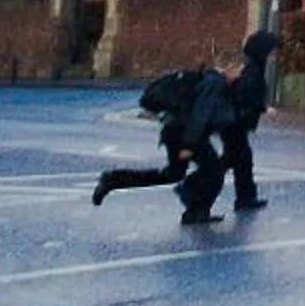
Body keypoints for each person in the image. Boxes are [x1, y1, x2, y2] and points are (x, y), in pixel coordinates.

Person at [92, 60, 238, 223]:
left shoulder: (208, 80)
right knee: (214, 170)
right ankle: (195, 207)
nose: (239, 76)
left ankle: (112, 180)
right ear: (229, 68)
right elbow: (200, 114)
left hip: (176, 131)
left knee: (173, 174)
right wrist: (189, 144)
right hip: (185, 134)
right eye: (238, 71)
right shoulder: (214, 83)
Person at [216, 29, 280, 213]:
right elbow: (244, 98)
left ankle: (245, 198)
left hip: (234, 124)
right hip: (234, 124)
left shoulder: (253, 68)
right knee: (234, 160)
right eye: (272, 51)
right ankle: (200, 191)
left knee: (240, 161)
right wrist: (264, 108)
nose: (274, 56)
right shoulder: (253, 71)